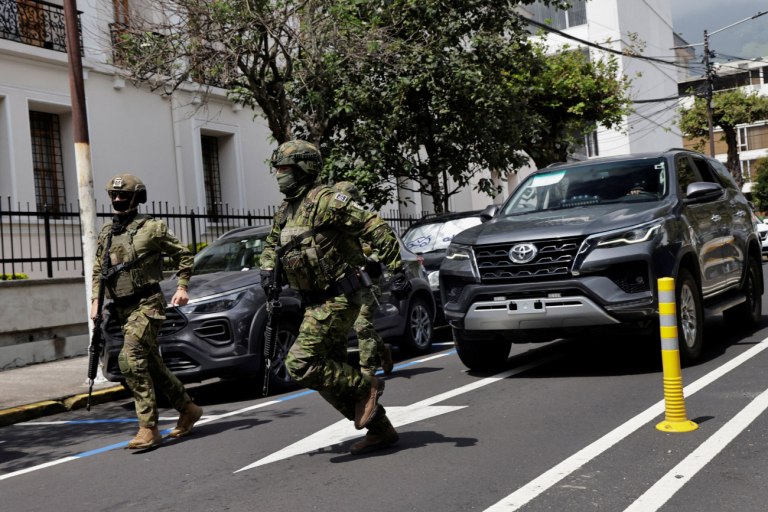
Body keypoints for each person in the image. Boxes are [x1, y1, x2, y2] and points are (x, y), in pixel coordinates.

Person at [260, 140, 410, 455]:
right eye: (277, 168)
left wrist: (397, 269)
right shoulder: (286, 210)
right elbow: (272, 245)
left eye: (284, 168)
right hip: (312, 302)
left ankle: (366, 384)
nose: (278, 175)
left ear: (304, 168)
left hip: (340, 298)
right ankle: (381, 430)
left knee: (300, 364)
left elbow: (373, 225)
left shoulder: (327, 201)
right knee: (329, 376)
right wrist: (267, 269)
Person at [90, 174, 203, 449]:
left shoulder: (152, 228)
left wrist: (182, 286)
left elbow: (183, 255)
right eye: (114, 195)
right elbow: (99, 270)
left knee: (130, 359)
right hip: (120, 308)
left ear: (137, 198)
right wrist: (95, 300)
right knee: (152, 365)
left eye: (124, 196)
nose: (118, 199)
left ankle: (148, 428)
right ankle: (188, 408)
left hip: (147, 303)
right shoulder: (107, 231)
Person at [334, 181, 394, 377]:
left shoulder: (364, 220)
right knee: (352, 327)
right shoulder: (334, 224)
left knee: (362, 325)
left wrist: (370, 260)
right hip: (346, 284)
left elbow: (382, 247)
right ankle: (383, 350)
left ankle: (368, 371)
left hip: (368, 282)